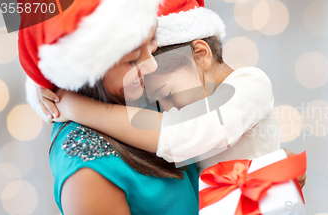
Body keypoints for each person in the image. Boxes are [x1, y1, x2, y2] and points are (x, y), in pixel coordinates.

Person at [38, 0, 292, 174]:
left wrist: (79, 109)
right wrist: (49, 80)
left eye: (167, 95)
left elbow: (181, 136)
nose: (166, 112)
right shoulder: (196, 101)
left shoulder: (251, 84)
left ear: (200, 55)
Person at [19, 0, 200, 214]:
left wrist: (78, 107)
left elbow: (189, 133)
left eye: (152, 40)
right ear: (84, 71)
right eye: (132, 60)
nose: (152, 64)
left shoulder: (139, 87)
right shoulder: (87, 173)